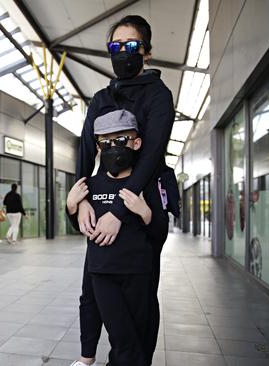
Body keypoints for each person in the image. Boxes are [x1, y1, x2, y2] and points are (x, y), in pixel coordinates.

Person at [72, 15, 177, 366]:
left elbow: (150, 157)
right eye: (115, 46)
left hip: (141, 208)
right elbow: (86, 152)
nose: (123, 52)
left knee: (139, 303)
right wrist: (82, 196)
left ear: (146, 52)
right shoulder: (101, 98)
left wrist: (119, 211)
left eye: (131, 46)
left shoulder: (158, 96)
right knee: (94, 292)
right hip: (102, 201)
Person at [67, 110, 168, 366]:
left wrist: (144, 212)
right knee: (123, 339)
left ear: (136, 142)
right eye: (105, 142)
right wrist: (71, 206)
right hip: (102, 275)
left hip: (138, 274)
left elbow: (160, 233)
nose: (113, 148)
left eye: (121, 140)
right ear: (98, 147)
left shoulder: (145, 184)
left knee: (137, 341)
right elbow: (80, 226)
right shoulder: (89, 185)